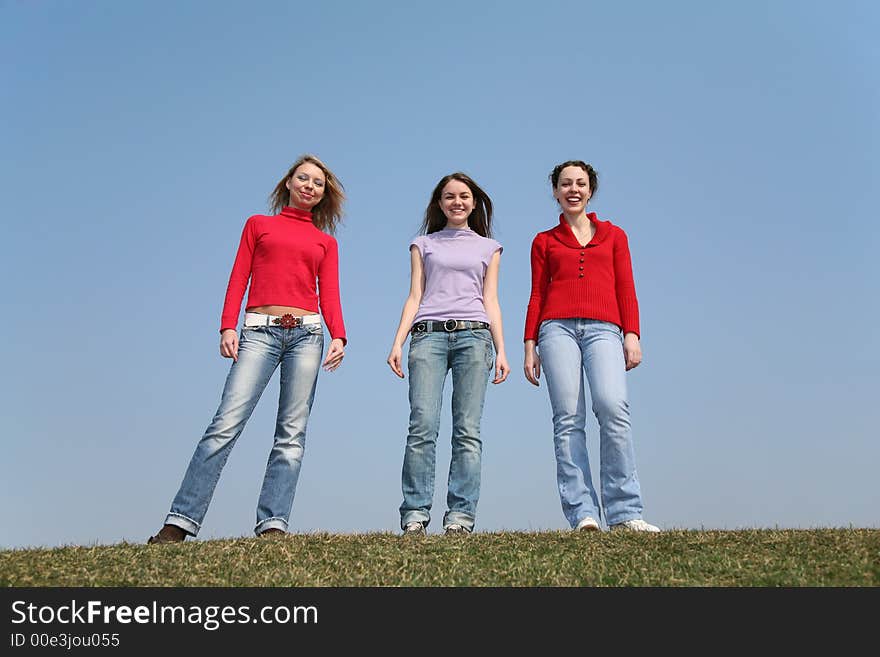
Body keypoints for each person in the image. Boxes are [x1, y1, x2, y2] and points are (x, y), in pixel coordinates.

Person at [148, 154, 347, 543]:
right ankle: (179, 523)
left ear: (323, 195)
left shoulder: (326, 242)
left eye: (318, 183)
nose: (309, 185)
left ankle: (273, 525)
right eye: (303, 178)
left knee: (291, 434)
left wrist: (339, 334)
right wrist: (227, 325)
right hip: (258, 332)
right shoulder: (259, 225)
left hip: (307, 335)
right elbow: (239, 275)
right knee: (225, 424)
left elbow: (330, 293)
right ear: (288, 183)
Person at [523, 160, 659, 533]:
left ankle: (626, 511)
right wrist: (529, 343)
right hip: (556, 329)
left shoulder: (615, 235)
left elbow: (625, 287)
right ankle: (583, 512)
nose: (573, 190)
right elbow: (537, 294)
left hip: (605, 329)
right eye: (565, 184)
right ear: (555, 191)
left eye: (580, 183)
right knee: (568, 418)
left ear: (590, 190)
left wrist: (632, 333)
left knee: (613, 407)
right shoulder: (544, 241)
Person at [387, 172, 509, 537]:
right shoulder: (423, 244)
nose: (457, 202)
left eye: (464, 196)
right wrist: (397, 341)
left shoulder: (490, 247)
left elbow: (491, 301)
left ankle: (460, 517)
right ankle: (415, 514)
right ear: (439, 204)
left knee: (467, 431)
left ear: (474, 202)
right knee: (422, 426)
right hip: (427, 337)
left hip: (474, 337)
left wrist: (502, 350)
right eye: (449, 196)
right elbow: (414, 296)